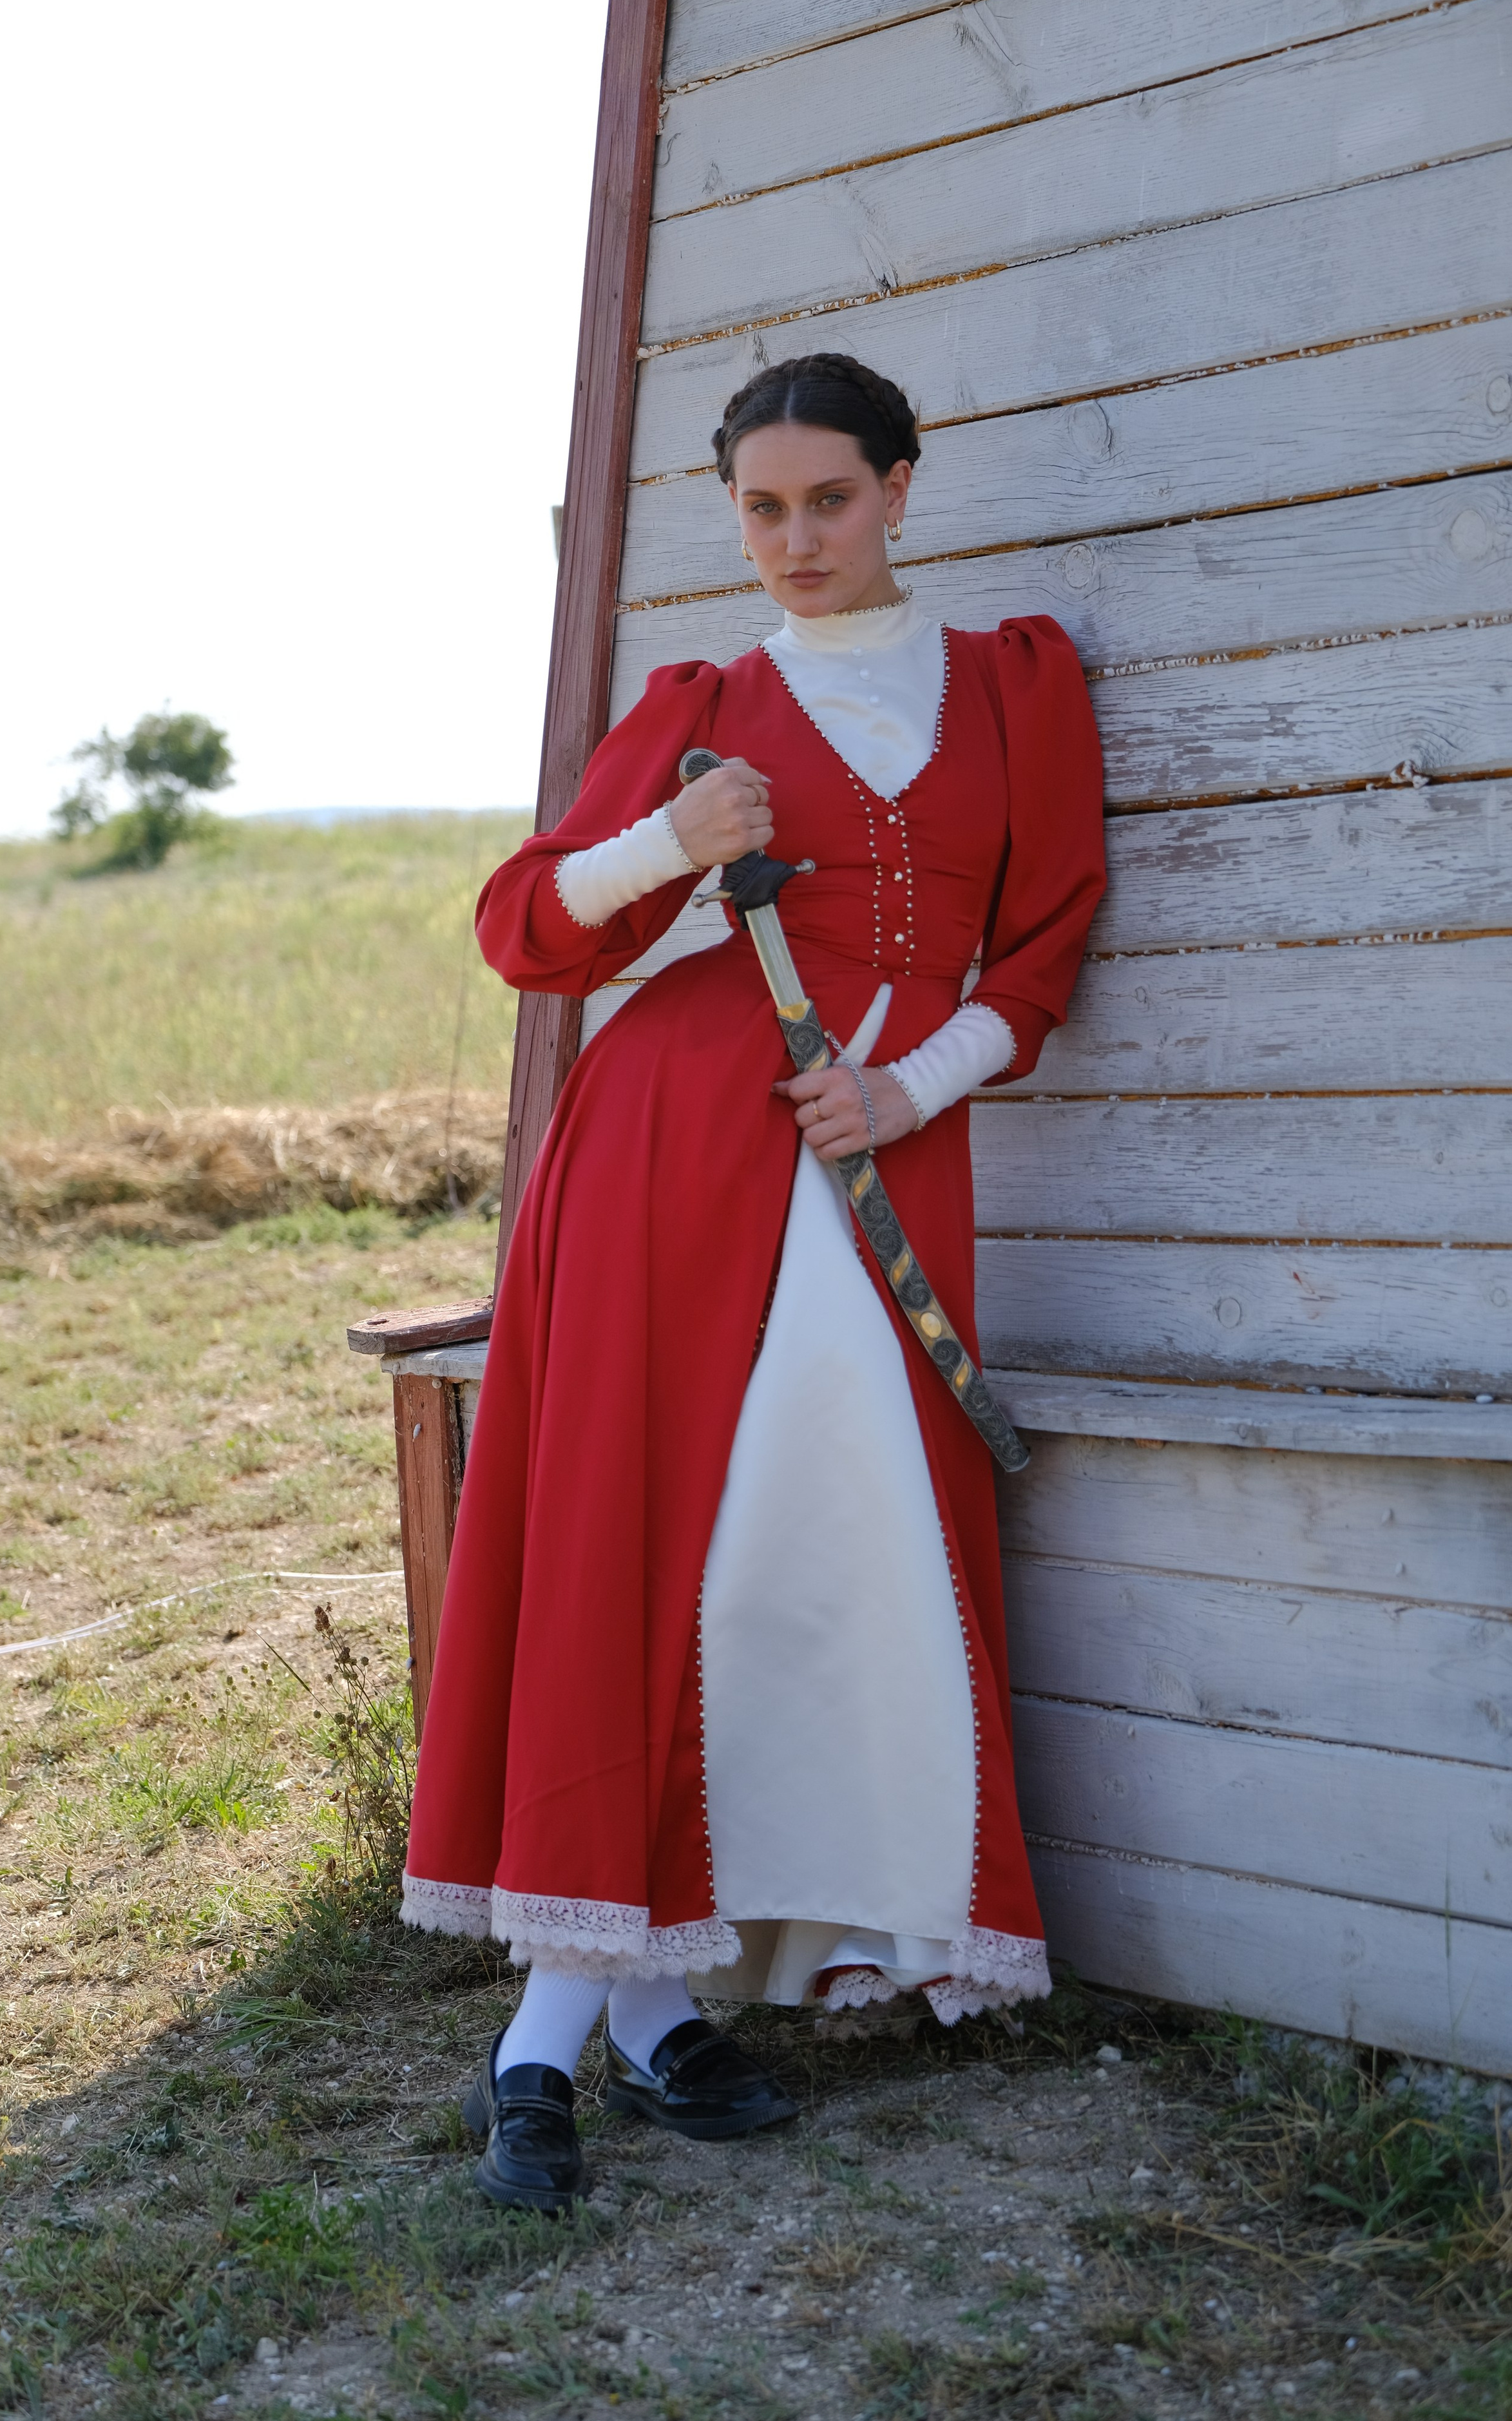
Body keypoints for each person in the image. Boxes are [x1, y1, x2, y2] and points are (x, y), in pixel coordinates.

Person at [402, 353, 1106, 2212]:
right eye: (762, 509)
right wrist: (670, 840)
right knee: (662, 1551)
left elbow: (1037, 959)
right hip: (664, 1169)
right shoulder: (703, 705)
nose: (797, 540)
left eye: (831, 501)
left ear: (901, 486)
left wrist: (907, 1086)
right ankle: (565, 2040)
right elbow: (528, 934)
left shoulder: (1017, 686)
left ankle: (645, 2018)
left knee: (822, 1548)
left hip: (874, 1162)